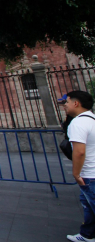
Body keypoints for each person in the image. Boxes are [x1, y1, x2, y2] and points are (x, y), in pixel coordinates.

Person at [65, 91, 95, 242]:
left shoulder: (78, 123)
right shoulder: (92, 119)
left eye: (67, 102)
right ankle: (87, 234)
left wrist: (76, 174)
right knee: (88, 206)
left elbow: (79, 152)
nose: (65, 105)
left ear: (76, 103)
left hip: (89, 174)